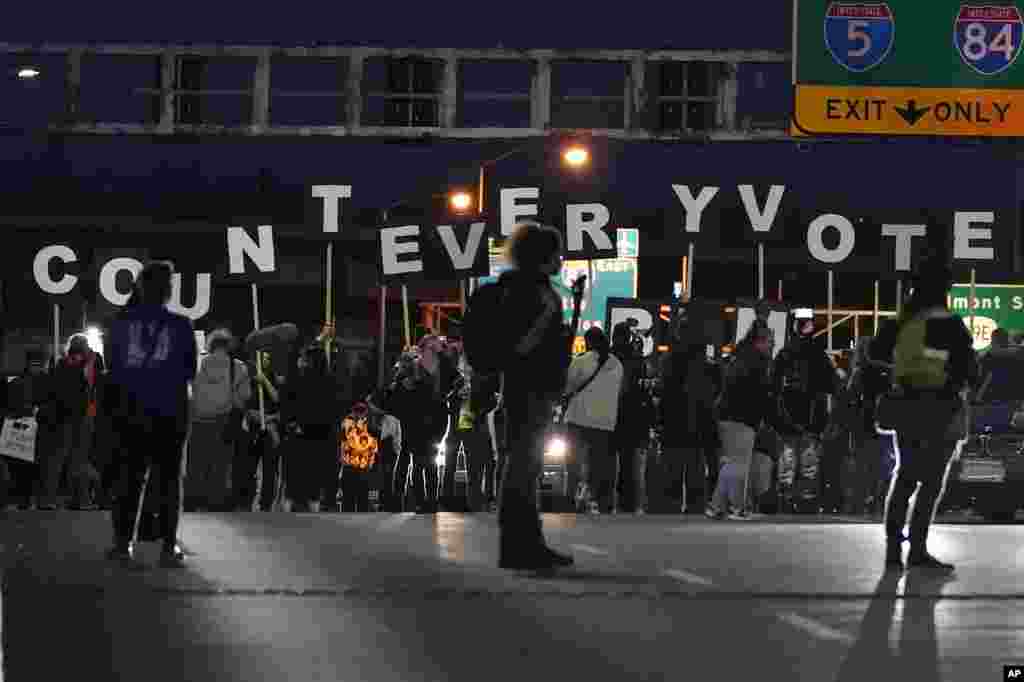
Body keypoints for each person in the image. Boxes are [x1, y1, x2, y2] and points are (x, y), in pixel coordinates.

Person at [871, 253, 978, 572]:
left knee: (905, 476)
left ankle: (893, 552)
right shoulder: (950, 324)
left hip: (906, 406)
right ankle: (917, 549)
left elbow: (875, 354)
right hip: (941, 410)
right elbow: (969, 369)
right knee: (931, 483)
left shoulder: (900, 321)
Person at [104, 261, 197, 568]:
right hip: (170, 411)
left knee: (130, 479)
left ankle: (122, 545)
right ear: (167, 291)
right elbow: (189, 371)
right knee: (170, 480)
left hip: (130, 410)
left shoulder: (119, 323)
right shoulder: (181, 325)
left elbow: (113, 368)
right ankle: (168, 547)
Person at [496, 221, 574, 571]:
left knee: (524, 468)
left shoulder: (524, 288)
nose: (561, 258)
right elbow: (525, 346)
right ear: (543, 256)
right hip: (529, 392)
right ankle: (521, 545)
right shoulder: (534, 293)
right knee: (524, 469)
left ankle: (524, 542)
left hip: (525, 390)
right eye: (556, 252)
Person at [707, 324, 775, 519]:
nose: (771, 345)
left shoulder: (742, 357)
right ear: (759, 341)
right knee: (738, 465)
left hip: (729, 416)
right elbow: (757, 393)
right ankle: (737, 507)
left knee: (732, 463)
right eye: (769, 341)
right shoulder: (756, 361)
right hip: (741, 418)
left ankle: (716, 505)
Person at [186, 329, 251, 512]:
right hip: (223, 422)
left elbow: (188, 392)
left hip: (198, 421)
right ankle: (215, 501)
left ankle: (193, 502)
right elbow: (244, 396)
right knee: (220, 464)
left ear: (210, 345)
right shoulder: (238, 367)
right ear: (229, 346)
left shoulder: (197, 364)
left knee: (196, 464)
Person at [564, 326, 624, 514]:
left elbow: (567, 387)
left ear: (589, 342)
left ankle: (571, 499)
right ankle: (597, 500)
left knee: (573, 462)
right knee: (599, 465)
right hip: (605, 423)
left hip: (579, 420)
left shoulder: (581, 362)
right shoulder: (617, 365)